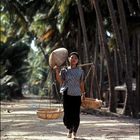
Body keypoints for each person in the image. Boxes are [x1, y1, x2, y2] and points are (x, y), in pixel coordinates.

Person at [54, 52, 86, 139]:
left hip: (76, 94)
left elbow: (81, 83)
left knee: (75, 114)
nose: (73, 59)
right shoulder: (64, 70)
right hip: (66, 93)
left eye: (75, 58)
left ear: (77, 60)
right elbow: (60, 81)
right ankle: (69, 128)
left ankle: (74, 132)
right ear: (69, 59)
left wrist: (83, 93)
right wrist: (57, 71)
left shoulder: (80, 71)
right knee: (67, 114)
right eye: (72, 57)